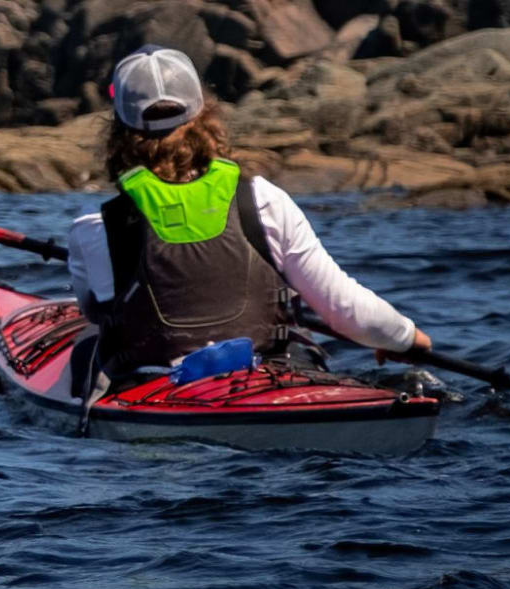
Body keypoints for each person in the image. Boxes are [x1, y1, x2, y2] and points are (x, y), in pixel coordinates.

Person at [63, 46, 425, 382]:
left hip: (156, 391)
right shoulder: (264, 201)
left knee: (87, 350)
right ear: (204, 114)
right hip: (266, 378)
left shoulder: (95, 230)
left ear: (119, 132)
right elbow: (342, 305)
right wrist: (405, 337)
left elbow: (100, 315)